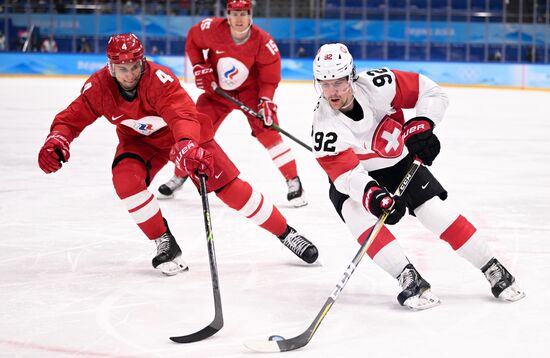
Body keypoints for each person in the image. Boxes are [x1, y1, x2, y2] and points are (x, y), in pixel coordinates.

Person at [37, 33, 319, 277]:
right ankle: (164, 241)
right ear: (110, 66)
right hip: (139, 143)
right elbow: (71, 118)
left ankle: (287, 233)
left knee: (232, 191)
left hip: (184, 137)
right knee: (125, 180)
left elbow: (182, 115)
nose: (129, 74)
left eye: (134, 66)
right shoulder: (98, 87)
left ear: (142, 61)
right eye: (121, 68)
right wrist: (58, 138)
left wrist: (186, 144)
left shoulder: (159, 80)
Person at [311, 43, 525, 309]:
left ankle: (492, 267)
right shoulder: (323, 126)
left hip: (399, 163)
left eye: (339, 82)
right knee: (357, 214)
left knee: (435, 212)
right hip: (359, 175)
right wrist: (372, 195)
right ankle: (407, 276)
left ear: (352, 76)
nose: (332, 91)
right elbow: (343, 175)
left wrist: (422, 124)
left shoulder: (378, 85)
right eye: (325, 83)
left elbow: (431, 91)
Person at [157, 0, 307, 207]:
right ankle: (179, 175)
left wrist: (266, 99)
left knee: (269, 132)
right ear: (227, 14)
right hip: (216, 92)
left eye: (243, 13)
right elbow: (193, 40)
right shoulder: (210, 29)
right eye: (234, 13)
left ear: (250, 15)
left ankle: (293, 179)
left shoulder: (264, 43)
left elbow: (269, 78)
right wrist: (200, 66)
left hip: (250, 94)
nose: (238, 19)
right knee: (194, 130)